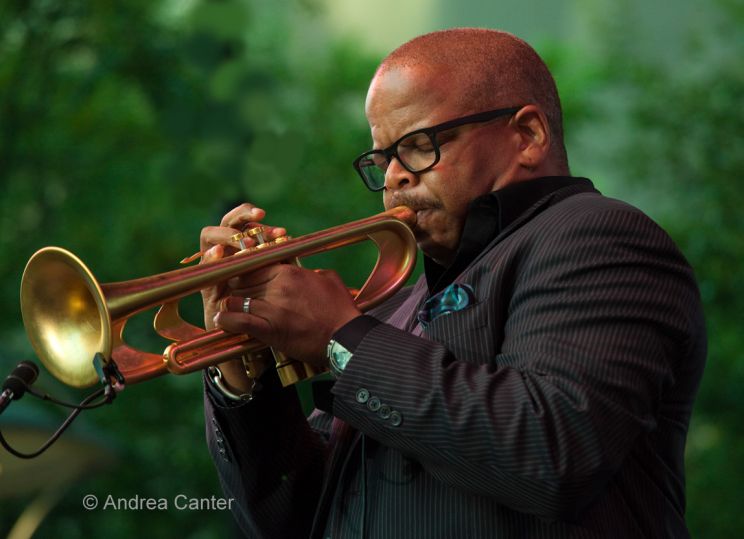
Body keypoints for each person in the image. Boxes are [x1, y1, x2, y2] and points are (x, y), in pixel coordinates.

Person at [199, 28, 706, 538]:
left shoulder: (598, 237)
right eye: (382, 160)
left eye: (418, 146)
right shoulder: (393, 311)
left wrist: (339, 337)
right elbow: (289, 521)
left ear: (527, 135)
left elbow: (550, 451)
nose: (395, 177)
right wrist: (244, 375)